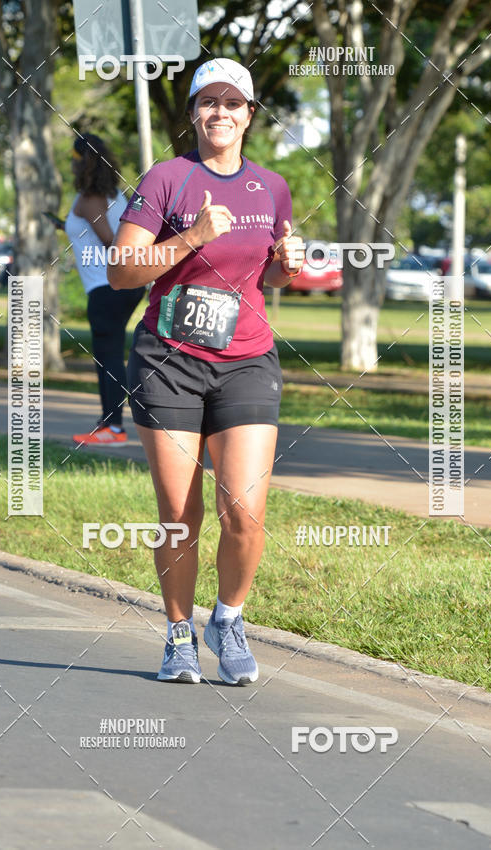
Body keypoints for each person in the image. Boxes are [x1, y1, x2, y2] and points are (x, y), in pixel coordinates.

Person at [108, 58, 304, 684]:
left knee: (243, 513)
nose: (221, 112)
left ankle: (227, 617)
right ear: (193, 112)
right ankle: (177, 635)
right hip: (168, 362)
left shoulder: (272, 187)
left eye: (233, 103)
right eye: (208, 102)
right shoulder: (168, 178)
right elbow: (122, 270)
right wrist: (191, 236)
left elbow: (263, 272)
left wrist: (286, 266)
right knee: (178, 513)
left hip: (246, 357)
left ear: (250, 114)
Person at [65, 134, 144, 446]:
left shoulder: (90, 198)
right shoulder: (114, 195)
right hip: (121, 286)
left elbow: (111, 240)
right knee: (109, 355)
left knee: (108, 357)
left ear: (82, 161)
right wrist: (65, 226)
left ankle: (114, 427)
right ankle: (109, 422)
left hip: (107, 287)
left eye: (73, 157)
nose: (70, 162)